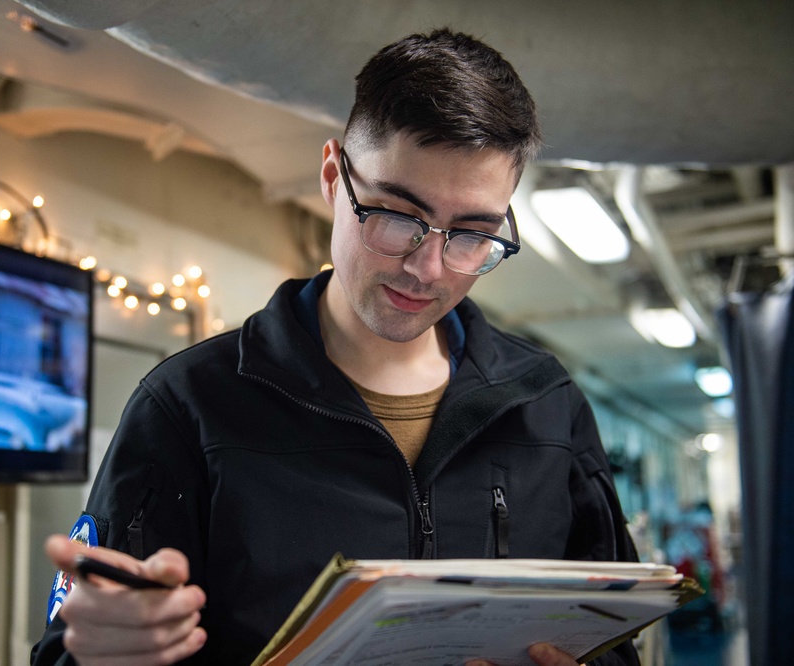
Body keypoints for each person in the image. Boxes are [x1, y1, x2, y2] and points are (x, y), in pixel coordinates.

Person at [32, 28, 640, 666]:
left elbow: (613, 641)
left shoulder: (547, 404)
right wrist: (101, 654)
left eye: (471, 234)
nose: (428, 267)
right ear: (333, 177)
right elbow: (65, 653)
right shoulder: (189, 406)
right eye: (398, 217)